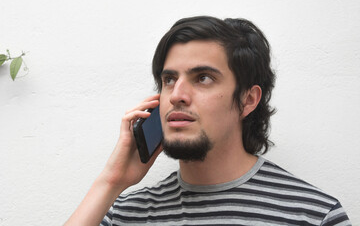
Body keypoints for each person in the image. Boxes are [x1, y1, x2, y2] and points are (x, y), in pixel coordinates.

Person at [65, 16, 351, 225]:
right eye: (169, 79)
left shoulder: (314, 214)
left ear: (248, 100)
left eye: (203, 78)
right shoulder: (125, 213)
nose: (177, 95)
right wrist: (110, 182)